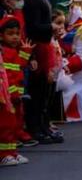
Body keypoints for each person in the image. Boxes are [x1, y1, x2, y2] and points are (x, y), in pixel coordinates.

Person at [23, 0, 63, 144]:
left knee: (47, 91)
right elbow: (32, 28)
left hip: (46, 46)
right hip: (38, 49)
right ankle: (36, 127)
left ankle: (44, 125)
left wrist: (52, 30)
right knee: (38, 92)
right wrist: (51, 28)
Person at [0, 18, 31, 166]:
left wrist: (26, 52)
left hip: (15, 97)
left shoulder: (12, 51)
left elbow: (20, 66)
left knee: (14, 124)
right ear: (1, 36)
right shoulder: (4, 52)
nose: (15, 37)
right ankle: (4, 155)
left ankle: (12, 152)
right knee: (6, 125)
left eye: (17, 33)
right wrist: (12, 94)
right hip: (8, 98)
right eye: (10, 33)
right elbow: (7, 75)